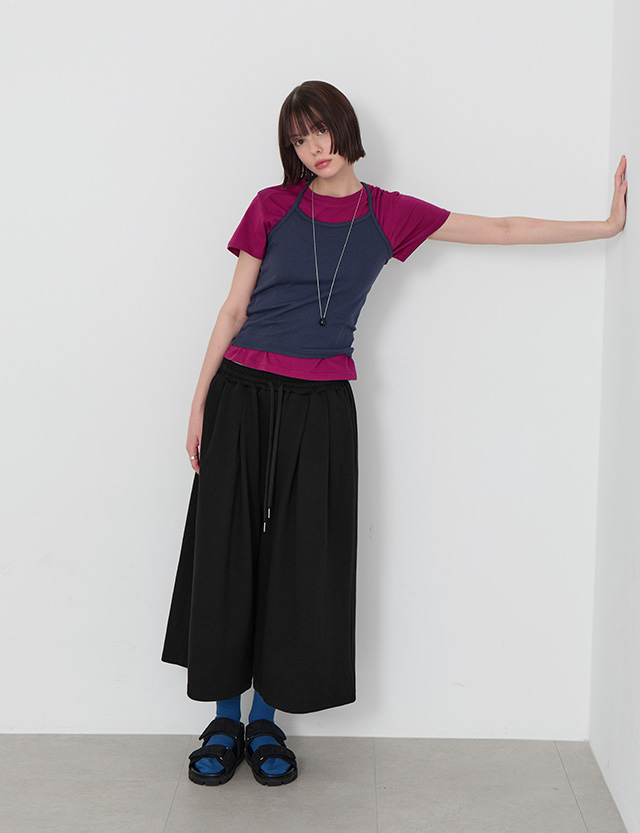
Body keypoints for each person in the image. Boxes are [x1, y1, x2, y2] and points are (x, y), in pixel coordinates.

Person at [161, 80, 628, 787]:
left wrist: (605, 226)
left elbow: (501, 229)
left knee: (301, 556)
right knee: (227, 549)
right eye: (298, 138)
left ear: (345, 128)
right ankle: (224, 720)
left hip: (321, 403)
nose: (313, 148)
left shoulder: (388, 214)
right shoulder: (271, 206)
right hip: (242, 392)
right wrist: (199, 404)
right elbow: (232, 311)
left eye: (321, 131)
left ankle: (265, 721)